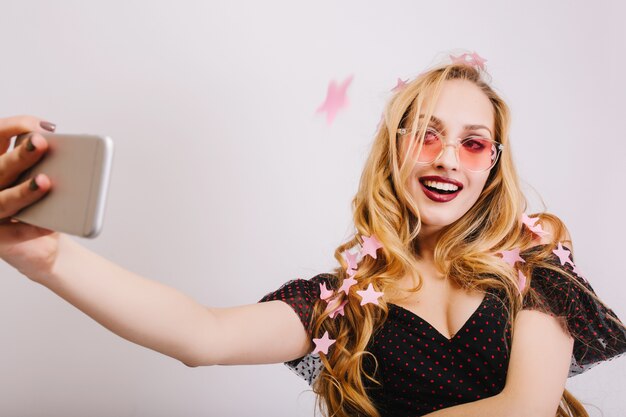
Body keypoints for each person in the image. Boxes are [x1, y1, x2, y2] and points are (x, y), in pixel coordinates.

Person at [0, 53, 624, 417]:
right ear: (394, 149)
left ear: (492, 162)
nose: (446, 159)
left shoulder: (535, 262)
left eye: (472, 141)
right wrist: (48, 257)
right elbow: (202, 334)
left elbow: (526, 409)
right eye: (425, 133)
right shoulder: (341, 302)